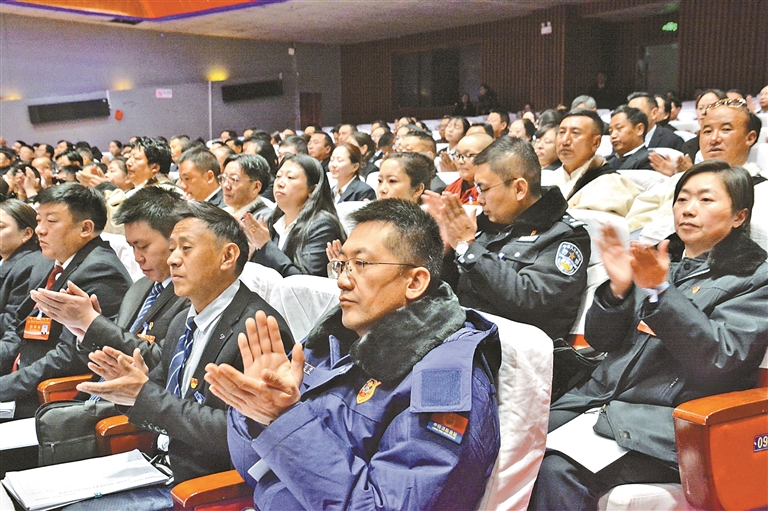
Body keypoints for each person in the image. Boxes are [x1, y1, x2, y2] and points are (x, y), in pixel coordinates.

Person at [206, 199, 501, 511]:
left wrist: (282, 421)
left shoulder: (444, 377)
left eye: (361, 264)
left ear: (414, 282)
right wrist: (259, 411)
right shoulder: (333, 337)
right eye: (343, 264)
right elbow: (249, 463)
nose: (342, 280)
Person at [530, 162, 768, 510]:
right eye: (682, 198)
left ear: (738, 216)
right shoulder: (658, 259)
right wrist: (617, 291)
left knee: (556, 470)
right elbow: (600, 340)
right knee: (507, 439)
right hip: (598, 402)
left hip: (667, 425)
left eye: (705, 200)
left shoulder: (754, 277)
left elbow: (720, 358)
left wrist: (661, 293)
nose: (688, 209)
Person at [68, 202, 294, 509]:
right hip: (157, 464)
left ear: (227, 256)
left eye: (186, 248)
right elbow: (160, 395)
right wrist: (128, 387)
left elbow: (237, 433)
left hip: (202, 488)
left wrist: (142, 394)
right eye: (172, 248)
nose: (172, 259)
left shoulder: (257, 328)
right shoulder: (182, 321)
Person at [424, 136, 590, 342]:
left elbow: (529, 300)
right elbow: (453, 293)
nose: (479, 199)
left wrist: (469, 249)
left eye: (484, 189)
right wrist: (446, 253)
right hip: (462, 336)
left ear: (519, 189)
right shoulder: (484, 226)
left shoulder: (565, 235)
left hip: (514, 350)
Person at [0, 184, 132, 416]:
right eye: (38, 220)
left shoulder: (100, 271)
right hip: (19, 376)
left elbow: (69, 357)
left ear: (85, 228)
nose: (40, 230)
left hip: (49, 398)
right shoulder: (47, 262)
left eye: (51, 221)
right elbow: (17, 329)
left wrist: (5, 387)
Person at [30, 187, 190, 377]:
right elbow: (99, 355)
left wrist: (92, 322)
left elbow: (161, 363)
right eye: (132, 247)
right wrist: (84, 328)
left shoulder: (190, 294)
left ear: (175, 241)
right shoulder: (139, 287)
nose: (137, 257)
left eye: (143, 246)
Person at [246, 154, 346, 277]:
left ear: (312, 190)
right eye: (278, 176)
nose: (280, 183)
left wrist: (266, 246)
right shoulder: (273, 220)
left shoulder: (322, 225)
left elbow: (302, 281)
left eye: (290, 177)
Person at [544, 110, 639, 216]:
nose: (565, 141)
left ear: (596, 142)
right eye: (561, 132)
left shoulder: (612, 185)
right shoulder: (546, 178)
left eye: (575, 133)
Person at [0, 198, 47, 325]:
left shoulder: (29, 266)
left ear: (26, 234)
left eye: (0, 227)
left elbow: (12, 320)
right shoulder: (10, 260)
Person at [221, 153, 274, 221]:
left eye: (234, 179)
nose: (225, 185)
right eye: (224, 178)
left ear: (256, 187)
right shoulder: (223, 212)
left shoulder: (264, 219)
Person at [444, 133, 494, 204]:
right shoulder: (451, 189)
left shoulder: (494, 190)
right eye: (458, 155)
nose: (460, 161)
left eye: (469, 155)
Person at [606, 105, 651, 170]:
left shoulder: (650, 160)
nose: (613, 135)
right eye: (610, 131)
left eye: (619, 128)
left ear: (639, 129)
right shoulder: (605, 161)